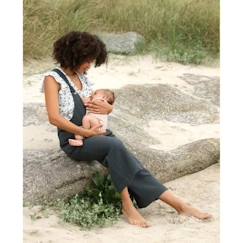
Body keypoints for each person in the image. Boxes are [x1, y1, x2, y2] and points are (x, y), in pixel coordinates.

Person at [43, 31, 212, 228]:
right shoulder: (52, 79)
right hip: (75, 139)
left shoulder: (83, 77)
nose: (90, 65)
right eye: (87, 60)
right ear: (73, 54)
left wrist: (109, 108)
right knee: (114, 146)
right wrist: (87, 133)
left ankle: (180, 205)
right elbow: (54, 118)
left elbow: (98, 104)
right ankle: (127, 205)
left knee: (130, 162)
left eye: (92, 60)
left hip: (95, 132)